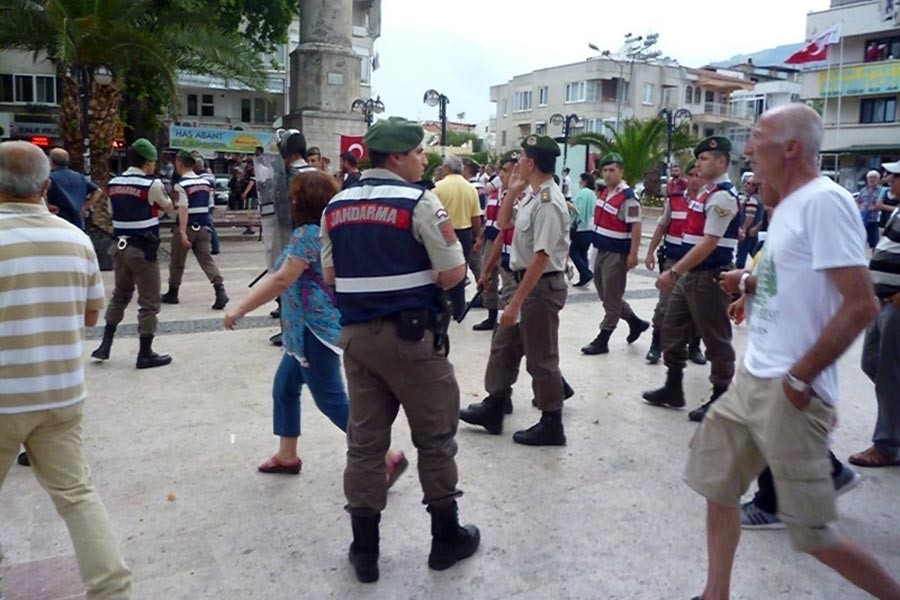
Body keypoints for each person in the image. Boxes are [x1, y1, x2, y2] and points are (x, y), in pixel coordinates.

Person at [683, 103, 900, 600]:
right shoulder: (789, 204)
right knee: (718, 488)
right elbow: (799, 278)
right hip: (752, 379)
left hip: (789, 388)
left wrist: (803, 378)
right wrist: (750, 283)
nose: (749, 148)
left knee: (813, 535)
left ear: (791, 147)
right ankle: (715, 595)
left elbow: (861, 303)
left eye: (757, 136)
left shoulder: (826, 202)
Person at [321, 116, 479, 583]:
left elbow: (331, 278)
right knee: (434, 439)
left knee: (365, 446)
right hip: (413, 342)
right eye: (416, 152)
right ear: (396, 158)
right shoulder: (419, 202)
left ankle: (364, 551)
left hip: (356, 341)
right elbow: (452, 274)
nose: (423, 158)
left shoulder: (336, 205)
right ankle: (445, 539)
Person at [0, 140, 132, 599]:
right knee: (77, 495)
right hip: (61, 394)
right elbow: (92, 315)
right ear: (45, 185)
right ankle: (113, 588)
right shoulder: (75, 239)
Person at [223, 170, 408, 482]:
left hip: (314, 331)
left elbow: (282, 279)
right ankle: (286, 455)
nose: (291, 201)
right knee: (285, 387)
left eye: (294, 196)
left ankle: (386, 456)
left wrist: (240, 309)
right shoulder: (331, 229)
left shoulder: (309, 234)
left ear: (302, 201)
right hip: (305, 331)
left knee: (331, 400)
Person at [459, 137, 571, 446]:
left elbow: (542, 256)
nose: (517, 162)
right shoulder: (533, 196)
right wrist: (515, 189)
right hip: (527, 284)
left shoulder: (549, 202)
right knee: (503, 346)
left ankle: (552, 423)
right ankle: (494, 406)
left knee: (541, 358)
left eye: (521, 157)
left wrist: (516, 302)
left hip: (539, 287)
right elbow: (504, 222)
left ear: (532, 163)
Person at [643, 136, 740, 422]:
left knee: (715, 338)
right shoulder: (706, 193)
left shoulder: (722, 195)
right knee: (671, 327)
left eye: (704, 159)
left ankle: (721, 397)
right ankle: (673, 387)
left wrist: (674, 271)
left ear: (721, 162)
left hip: (710, 277)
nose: (698, 164)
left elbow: (709, 243)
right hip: (692, 276)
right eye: (698, 160)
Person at [91, 138, 175, 369]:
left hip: (119, 247)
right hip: (142, 249)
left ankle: (105, 345)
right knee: (149, 302)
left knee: (120, 295)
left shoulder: (114, 183)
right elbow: (168, 207)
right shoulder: (151, 184)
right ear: (148, 162)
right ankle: (145, 353)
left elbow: (111, 212)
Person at [849, 159, 900, 468]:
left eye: (895, 176)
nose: (888, 179)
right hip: (883, 302)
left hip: (896, 304)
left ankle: (886, 444)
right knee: (874, 364)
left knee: (889, 373)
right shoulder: (896, 209)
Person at [581, 152, 649, 355]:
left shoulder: (628, 198)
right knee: (606, 294)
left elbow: (636, 226)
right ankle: (635, 322)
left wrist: (633, 254)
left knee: (611, 298)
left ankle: (603, 338)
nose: (609, 174)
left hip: (616, 253)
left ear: (621, 171)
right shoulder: (605, 192)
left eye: (613, 170)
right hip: (601, 250)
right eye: (605, 170)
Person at [643, 158, 706, 366]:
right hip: (673, 259)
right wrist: (650, 251)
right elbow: (661, 226)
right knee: (665, 304)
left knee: (696, 306)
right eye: (693, 175)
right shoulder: (675, 199)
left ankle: (694, 346)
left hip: (698, 263)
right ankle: (656, 344)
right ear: (687, 177)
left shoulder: (710, 201)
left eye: (700, 175)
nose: (696, 180)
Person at [159, 150, 229, 310]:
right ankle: (220, 290)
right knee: (206, 260)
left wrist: (182, 232)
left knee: (177, 261)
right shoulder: (205, 183)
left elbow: (183, 208)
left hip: (187, 225)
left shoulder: (181, 185)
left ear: (180, 164)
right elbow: (209, 205)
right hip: (204, 227)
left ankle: (173, 292)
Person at [433, 154, 482, 319]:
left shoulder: (438, 187)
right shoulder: (470, 188)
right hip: (464, 233)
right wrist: (478, 236)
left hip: (443, 232)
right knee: (461, 269)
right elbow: (476, 216)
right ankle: (459, 308)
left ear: (446, 168)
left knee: (441, 270)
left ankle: (442, 306)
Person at [472, 155, 507, 332]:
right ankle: (491, 316)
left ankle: (504, 319)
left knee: (507, 281)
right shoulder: (494, 193)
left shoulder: (519, 194)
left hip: (506, 242)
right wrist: (481, 237)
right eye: (502, 170)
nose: (502, 174)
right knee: (488, 280)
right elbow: (488, 218)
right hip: (490, 239)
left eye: (506, 170)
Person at [46, 147, 102, 230]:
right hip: (78, 224)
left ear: (51, 161)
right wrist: (85, 207)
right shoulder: (79, 177)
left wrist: (48, 205)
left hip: (58, 223)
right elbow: (98, 191)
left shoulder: (50, 178)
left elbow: (41, 193)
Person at [569, 172, 597, 287]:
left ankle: (586, 273)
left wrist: (569, 206)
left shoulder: (583, 193)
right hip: (590, 227)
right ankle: (584, 279)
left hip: (581, 227)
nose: (579, 182)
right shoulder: (593, 194)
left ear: (584, 181)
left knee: (573, 252)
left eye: (580, 180)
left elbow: (579, 210)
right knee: (582, 253)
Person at [463, 158, 486, 283]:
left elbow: (475, 213)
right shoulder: (480, 186)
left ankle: (483, 290)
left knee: (475, 262)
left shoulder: (470, 187)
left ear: (466, 169)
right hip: (480, 224)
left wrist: (477, 234)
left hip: (472, 227)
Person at [193, 156, 220, 255]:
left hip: (205, 204)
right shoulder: (210, 176)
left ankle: (215, 246)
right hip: (209, 203)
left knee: (209, 225)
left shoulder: (202, 177)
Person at [735, 173, 761, 269]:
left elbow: (750, 216)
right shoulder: (758, 198)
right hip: (753, 231)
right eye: (748, 183)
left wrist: (744, 229)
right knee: (754, 251)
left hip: (748, 231)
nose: (749, 186)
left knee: (742, 254)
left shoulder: (753, 199)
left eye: (753, 185)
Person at [857, 170, 885, 250]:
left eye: (874, 178)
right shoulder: (863, 190)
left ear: (878, 179)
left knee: (874, 244)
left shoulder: (882, 191)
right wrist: (860, 206)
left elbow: (881, 204)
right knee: (861, 241)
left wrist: (874, 207)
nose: (872, 179)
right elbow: (858, 201)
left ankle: (874, 260)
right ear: (867, 179)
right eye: (870, 177)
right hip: (863, 220)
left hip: (874, 220)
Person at [240, 162, 257, 234]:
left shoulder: (253, 176)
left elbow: (250, 185)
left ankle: (250, 227)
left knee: (250, 211)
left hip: (252, 196)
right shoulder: (248, 175)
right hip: (250, 196)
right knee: (249, 211)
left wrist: (245, 193)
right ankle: (249, 226)